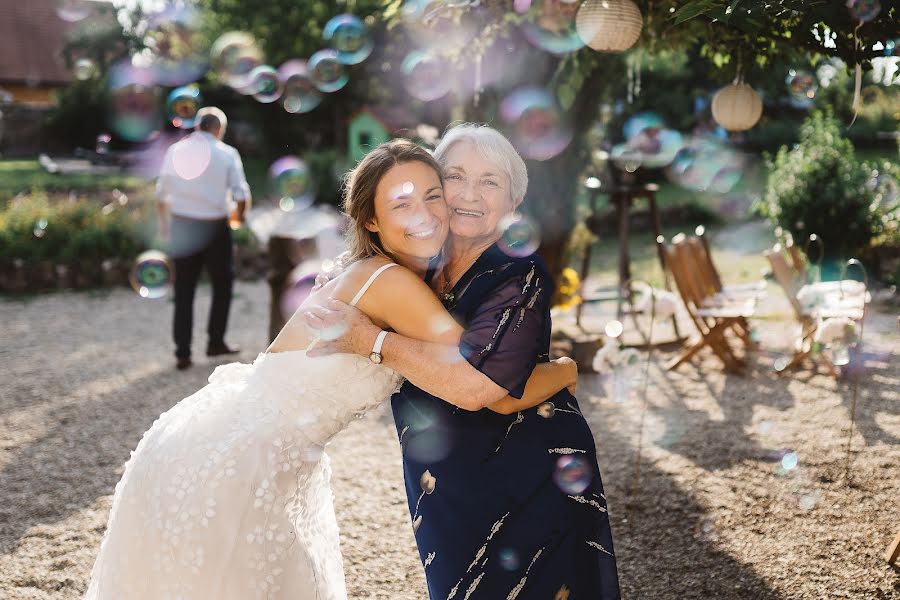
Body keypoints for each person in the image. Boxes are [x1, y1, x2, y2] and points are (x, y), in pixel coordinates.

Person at [85, 139, 577, 599]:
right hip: (241, 462)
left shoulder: (371, 270)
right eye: (401, 204)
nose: (426, 215)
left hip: (230, 439)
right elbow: (493, 388)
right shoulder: (391, 284)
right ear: (372, 222)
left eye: (432, 196)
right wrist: (568, 369)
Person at [305, 124, 621, 599]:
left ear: (514, 202)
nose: (470, 194)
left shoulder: (518, 273)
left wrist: (374, 340)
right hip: (442, 477)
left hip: (526, 474)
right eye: (455, 177)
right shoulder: (418, 258)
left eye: (490, 182)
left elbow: (480, 389)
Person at [156, 106, 249, 370]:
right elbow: (241, 195)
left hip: (182, 225)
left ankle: (183, 353)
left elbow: (162, 193)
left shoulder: (176, 151)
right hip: (215, 228)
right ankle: (215, 341)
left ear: (197, 127)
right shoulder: (227, 153)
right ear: (219, 129)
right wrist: (238, 219)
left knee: (183, 290)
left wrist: (164, 226)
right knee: (222, 285)